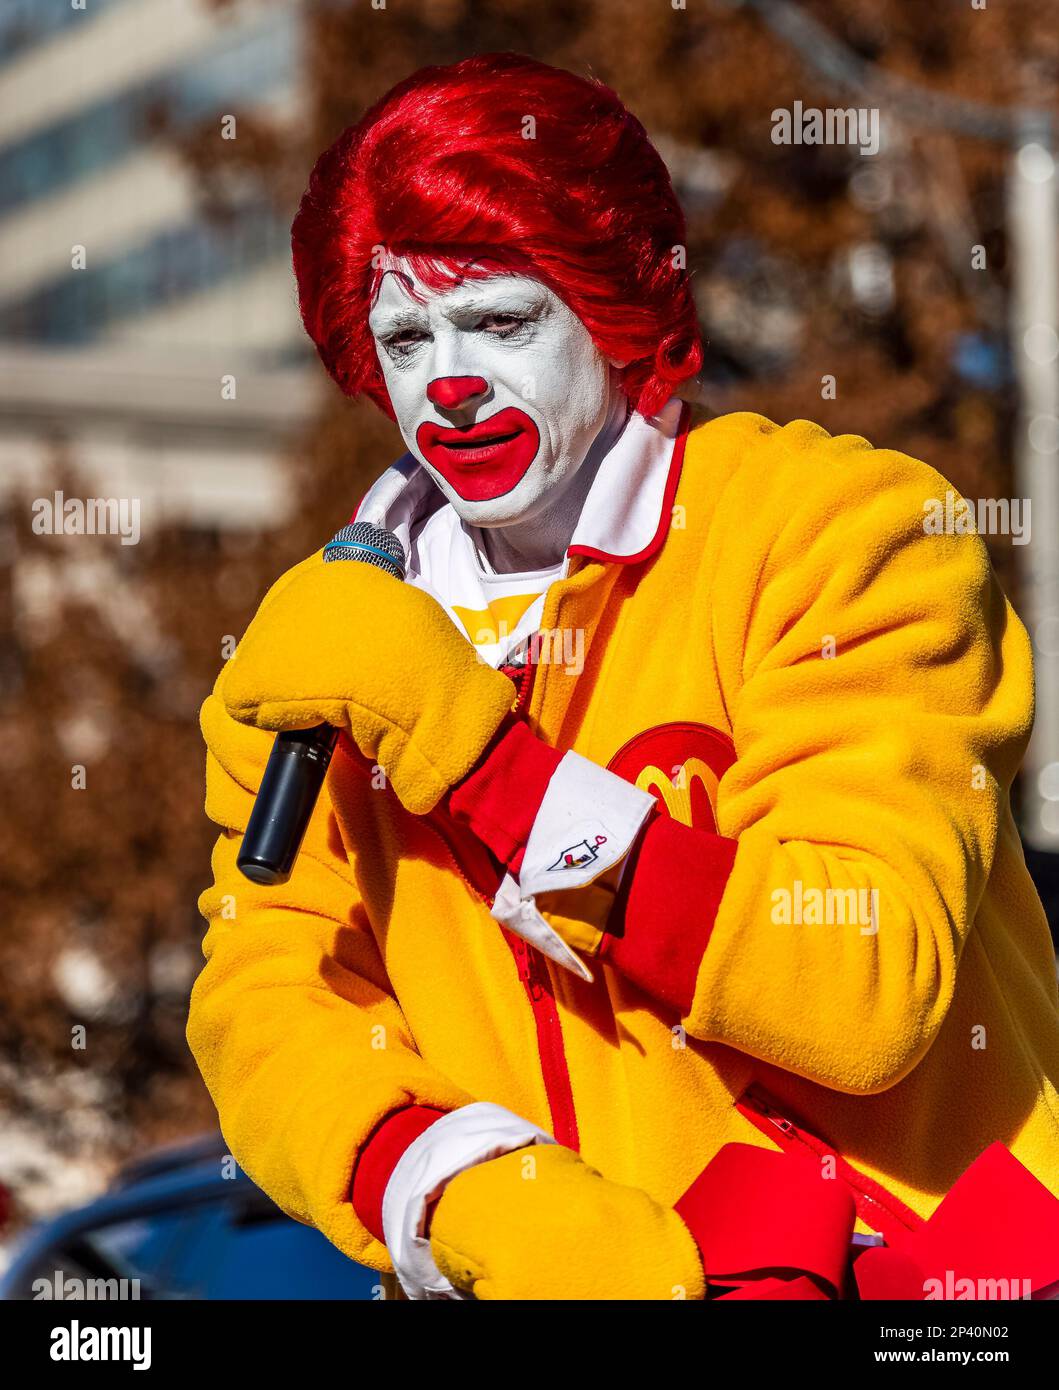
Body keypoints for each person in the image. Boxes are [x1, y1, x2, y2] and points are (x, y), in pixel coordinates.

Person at [187, 52, 1059, 1300]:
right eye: (402, 335)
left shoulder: (841, 533)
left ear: (612, 305)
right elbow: (265, 995)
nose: (447, 381)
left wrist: (483, 761)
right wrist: (455, 1185)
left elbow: (868, 983)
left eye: (499, 318)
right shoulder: (320, 642)